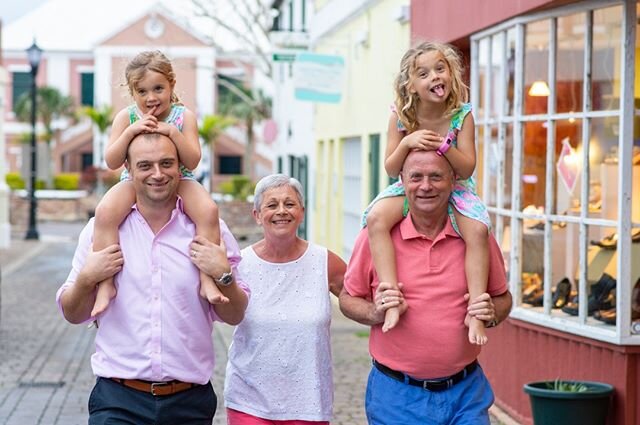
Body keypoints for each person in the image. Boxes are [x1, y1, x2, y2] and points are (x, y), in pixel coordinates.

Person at [56, 132, 249, 424]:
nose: (157, 174)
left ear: (179, 168)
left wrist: (224, 275)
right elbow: (73, 313)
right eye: (145, 165)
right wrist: (87, 279)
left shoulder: (210, 231)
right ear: (129, 171)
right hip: (118, 400)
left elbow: (235, 314)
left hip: (189, 403)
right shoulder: (102, 231)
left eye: (166, 163)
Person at [340, 149, 512, 424]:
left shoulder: (476, 236)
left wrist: (490, 313)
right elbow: (348, 297)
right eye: (416, 177)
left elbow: (503, 297)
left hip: (465, 393)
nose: (425, 186)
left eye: (435, 177)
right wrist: (375, 312)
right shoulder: (374, 237)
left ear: (453, 180)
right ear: (402, 181)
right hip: (396, 396)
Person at [363, 41, 491, 344]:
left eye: (440, 68)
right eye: (424, 73)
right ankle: (392, 299)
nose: (434, 76)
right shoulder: (401, 116)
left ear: (451, 74)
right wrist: (407, 143)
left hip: (456, 187)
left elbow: (467, 169)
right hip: (410, 188)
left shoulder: (462, 115)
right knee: (376, 219)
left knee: (478, 231)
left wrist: (444, 146)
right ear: (411, 86)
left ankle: (475, 312)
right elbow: (392, 169)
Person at [90, 50, 223, 317]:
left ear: (172, 84)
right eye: (142, 91)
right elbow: (112, 161)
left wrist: (172, 133)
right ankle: (105, 284)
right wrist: (131, 132)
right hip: (133, 181)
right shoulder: (125, 117)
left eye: (158, 88)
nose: (151, 98)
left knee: (208, 211)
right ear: (133, 92)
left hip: (181, 178)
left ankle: (207, 279)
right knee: (105, 213)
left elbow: (193, 160)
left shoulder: (183, 117)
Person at [216, 174, 347, 424]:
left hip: (308, 403)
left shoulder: (324, 261)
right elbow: (221, 311)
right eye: (272, 205)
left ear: (302, 211)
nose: (281, 211)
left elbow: (358, 297)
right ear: (257, 215)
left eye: (289, 204)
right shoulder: (240, 264)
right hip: (249, 401)